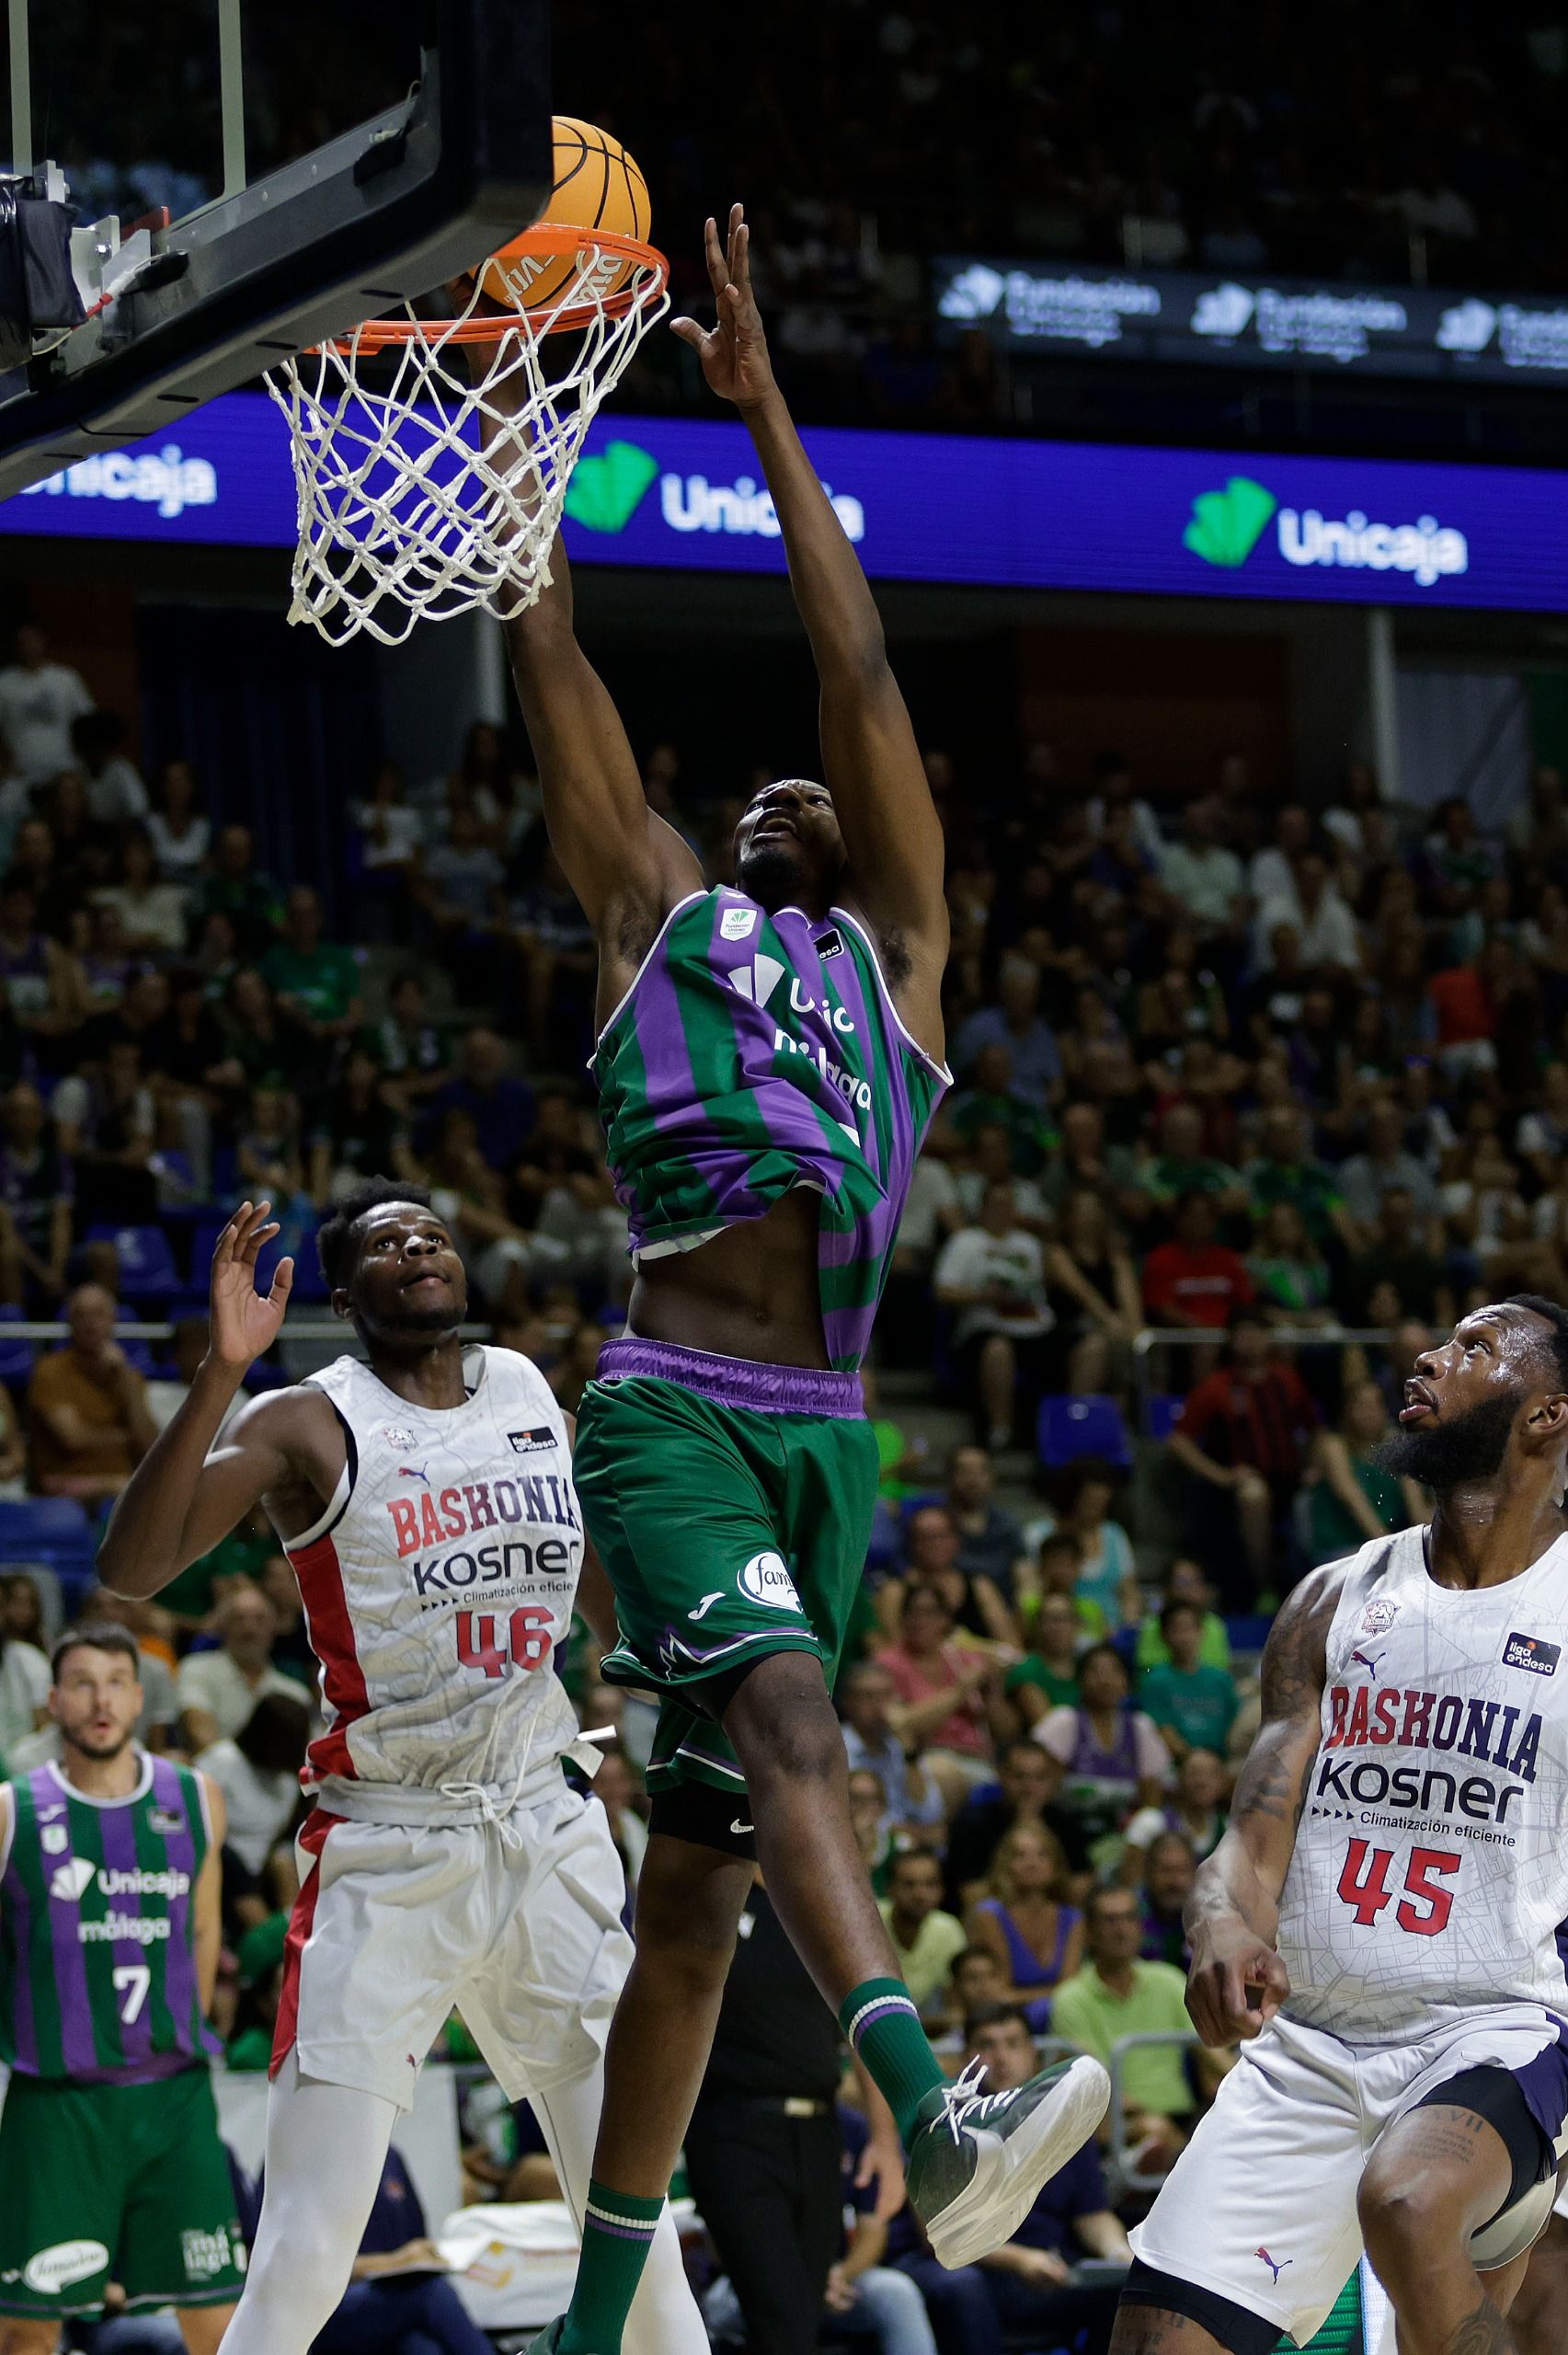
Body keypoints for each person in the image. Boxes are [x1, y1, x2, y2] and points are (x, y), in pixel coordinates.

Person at [494, 204, 1107, 2355]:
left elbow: (851, 672)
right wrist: (517, 466)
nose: (773, 783)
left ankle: (591, 2317)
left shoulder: (904, 965)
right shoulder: (655, 906)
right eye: (741, 783)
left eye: (803, 792)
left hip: (827, 1439)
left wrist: (764, 421)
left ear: (853, 839)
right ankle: (934, 2113)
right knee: (783, 1717)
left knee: (694, 1889)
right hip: (668, 1396)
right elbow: (552, 657)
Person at [96, 1190, 709, 2355]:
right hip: (389, 1849)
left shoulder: (530, 1390)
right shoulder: (303, 1423)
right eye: (384, 1242)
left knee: (638, 2230)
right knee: (307, 2253)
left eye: (429, 1232)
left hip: (543, 1826)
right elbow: (133, 1566)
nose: (416, 1247)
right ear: (342, 1300)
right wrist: (221, 1370)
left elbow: (601, 1586)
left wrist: (702, 1678)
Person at [1111, 1294, 1568, 2355]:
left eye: (1473, 1348)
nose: (1427, 1354)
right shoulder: (1330, 1598)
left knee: (1409, 2205)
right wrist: (1220, 1923)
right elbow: (1251, 1840)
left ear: (1547, 1415)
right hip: (1309, 2046)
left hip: (1498, 2027)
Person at [0, 1625, 245, 2349]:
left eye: (114, 1682)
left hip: (173, 2098)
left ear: (140, 1698)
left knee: (217, 2320)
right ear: (52, 1702)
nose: (99, 1699)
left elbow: (205, 1930)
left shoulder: (195, 1798)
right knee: (24, 2331)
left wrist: (178, 2029)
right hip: (57, 2108)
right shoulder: (14, 1808)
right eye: (80, 1683)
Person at [684, 1875, 909, 2355]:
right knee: (781, 2321)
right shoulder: (711, 1882)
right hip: (732, 2129)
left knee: (803, 2320)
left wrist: (885, 2142)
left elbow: (868, 2016)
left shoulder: (820, 1898)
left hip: (820, 2132)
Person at [897, 2006, 1132, 2355]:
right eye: (987, 2046)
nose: (1002, 2057)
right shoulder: (941, 2125)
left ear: (1032, 2054)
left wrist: (1117, 2253)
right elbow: (937, 2235)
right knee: (962, 2286)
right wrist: (1021, 2260)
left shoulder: (1065, 2119)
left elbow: (1092, 2215)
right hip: (969, 2266)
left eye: (1013, 2044)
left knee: (1126, 2285)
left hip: (1050, 2269)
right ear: (966, 2057)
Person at [1052, 1884, 1210, 2172]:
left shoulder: (1169, 1981)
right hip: (1114, 2121)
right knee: (1153, 2129)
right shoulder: (1070, 1998)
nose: (1121, 1929)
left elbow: (1213, 2054)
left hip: (1181, 2116)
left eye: (1129, 1918)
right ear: (1089, 1932)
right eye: (1109, 1920)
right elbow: (1097, 2085)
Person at [1032, 1644, 1169, 1860]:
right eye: (1095, 1671)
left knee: (1153, 1822)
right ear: (1080, 1680)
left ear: (1126, 1682)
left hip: (1121, 1838)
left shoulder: (1140, 1727)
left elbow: (1151, 1800)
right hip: (1069, 1834)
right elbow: (1042, 1791)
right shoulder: (1063, 1722)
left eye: (1114, 1671)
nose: (1105, 1680)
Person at [25, 1279, 157, 1502]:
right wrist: (127, 1438)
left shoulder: (130, 1377)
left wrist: (125, 1379)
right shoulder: (50, 1370)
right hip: (64, 1489)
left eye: (98, 1314)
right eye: (82, 1315)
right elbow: (74, 1439)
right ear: (70, 1322)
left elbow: (150, 1445)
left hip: (124, 1486)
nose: (90, 1324)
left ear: (112, 1321)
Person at [174, 1580, 306, 1753]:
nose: (249, 1628)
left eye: (259, 1619)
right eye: (239, 1618)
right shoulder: (195, 1669)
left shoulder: (295, 1694)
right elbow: (200, 1736)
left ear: (274, 1627)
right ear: (223, 1625)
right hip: (213, 1772)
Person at [1307, 1377, 1427, 1564]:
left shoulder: (1394, 1444)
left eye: (1375, 1405)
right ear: (1347, 1411)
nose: (1369, 1412)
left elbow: (1417, 1511)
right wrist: (1389, 1549)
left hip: (1384, 1546)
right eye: (1361, 1405)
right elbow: (1352, 1500)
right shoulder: (1333, 1446)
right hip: (1342, 1550)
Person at [964, 1823, 1084, 2002]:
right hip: (1007, 2018)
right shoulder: (989, 1915)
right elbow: (1000, 1991)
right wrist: (1051, 1994)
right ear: (1005, 1865)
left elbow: (1071, 1989)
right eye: (1020, 1856)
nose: (1032, 1863)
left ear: (1055, 1866)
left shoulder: (1073, 1918)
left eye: (1042, 1855)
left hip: (1062, 2016)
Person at [1137, 1601, 1240, 1763]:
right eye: (1176, 1630)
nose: (1185, 1637)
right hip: (1176, 1765)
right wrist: (1195, 1760)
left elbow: (1234, 1728)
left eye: (1190, 1628)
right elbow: (1163, 1731)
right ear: (1163, 1635)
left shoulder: (1221, 1679)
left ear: (1202, 1632)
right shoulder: (1155, 1681)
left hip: (1221, 1762)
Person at [877, 1849, 969, 2019]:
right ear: (889, 1888)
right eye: (909, 1884)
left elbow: (956, 2008)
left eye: (930, 1884)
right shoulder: (871, 1920)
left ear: (942, 1890)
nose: (920, 1894)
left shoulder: (948, 1929)